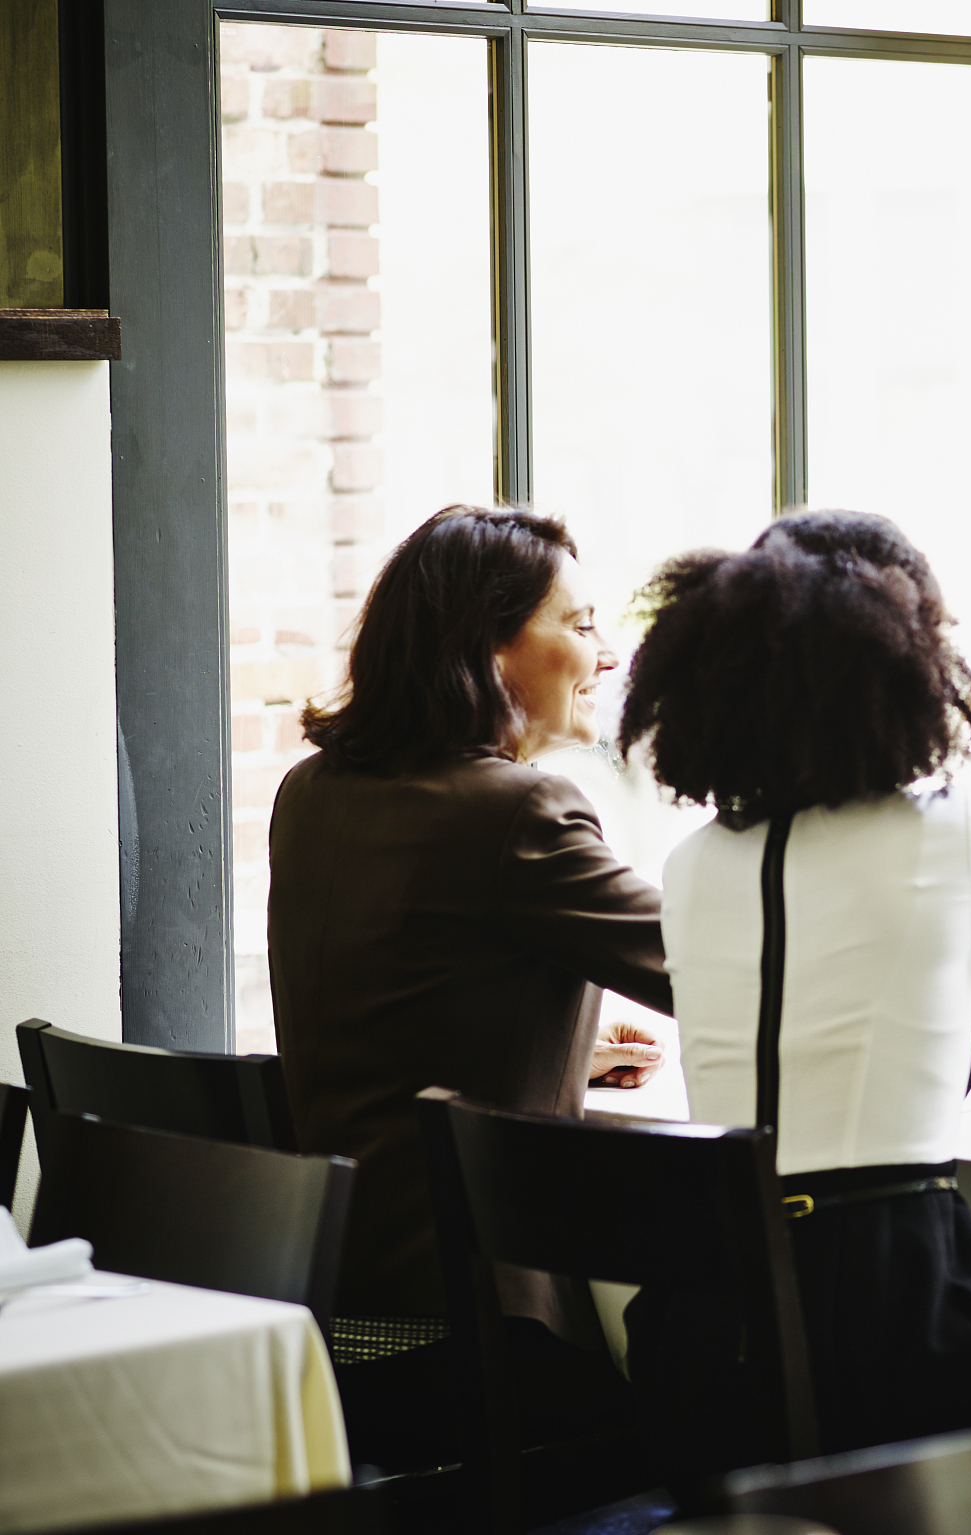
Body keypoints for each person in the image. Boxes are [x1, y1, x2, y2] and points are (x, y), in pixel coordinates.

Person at [616, 510, 971, 1480]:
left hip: (701, 1338)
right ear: (904, 669)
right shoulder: (952, 832)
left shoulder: (692, 862)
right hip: (893, 1325)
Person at [268, 505, 672, 1464]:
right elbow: (726, 972)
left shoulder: (312, 791)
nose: (606, 654)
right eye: (578, 624)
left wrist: (557, 1040)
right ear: (487, 646)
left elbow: (390, 989)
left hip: (335, 1327)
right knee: (725, 1417)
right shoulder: (521, 809)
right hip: (473, 1349)